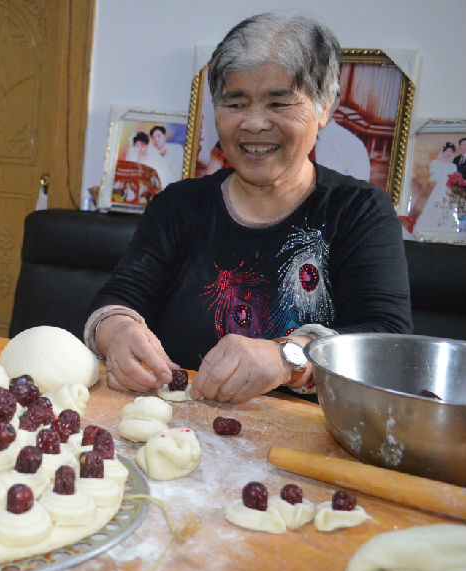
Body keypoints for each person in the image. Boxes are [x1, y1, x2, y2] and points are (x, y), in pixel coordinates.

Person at [84, 12, 411, 403]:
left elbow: (385, 338)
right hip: (179, 426)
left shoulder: (359, 211)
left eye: (279, 103)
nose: (254, 124)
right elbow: (118, 298)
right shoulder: (178, 205)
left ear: (324, 108)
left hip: (306, 435)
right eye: (236, 103)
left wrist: (287, 356)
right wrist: (118, 331)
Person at [411, 142, 459, 237]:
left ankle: (446, 229)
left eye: (451, 152)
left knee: (448, 208)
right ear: (443, 152)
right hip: (438, 189)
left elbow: (454, 179)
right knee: (434, 206)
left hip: (448, 191)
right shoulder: (435, 163)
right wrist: (441, 180)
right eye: (447, 151)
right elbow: (432, 178)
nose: (448, 153)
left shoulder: (453, 166)